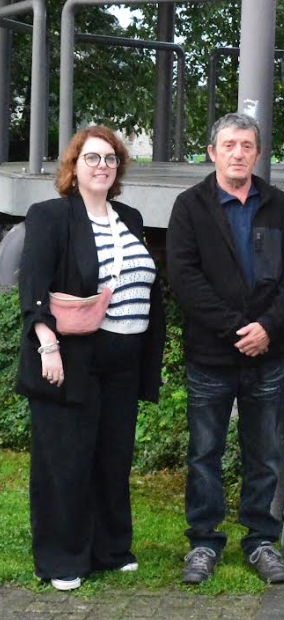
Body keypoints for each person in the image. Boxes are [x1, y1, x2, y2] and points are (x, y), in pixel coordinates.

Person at [17, 125, 164, 591]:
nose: (103, 166)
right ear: (74, 166)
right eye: (93, 158)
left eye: (111, 158)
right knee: (65, 461)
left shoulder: (131, 217)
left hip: (124, 361)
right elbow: (34, 285)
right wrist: (47, 343)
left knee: (111, 457)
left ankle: (110, 549)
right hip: (71, 356)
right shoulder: (51, 216)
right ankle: (62, 560)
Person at [167, 113, 284, 586]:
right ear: (212, 152)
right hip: (211, 355)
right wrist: (237, 329)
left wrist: (266, 327)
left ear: (258, 153)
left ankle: (261, 540)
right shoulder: (190, 206)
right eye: (229, 145)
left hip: (268, 353)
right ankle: (204, 542)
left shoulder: (280, 206)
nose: (238, 153)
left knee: (266, 453)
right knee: (204, 453)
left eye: (247, 145)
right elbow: (185, 278)